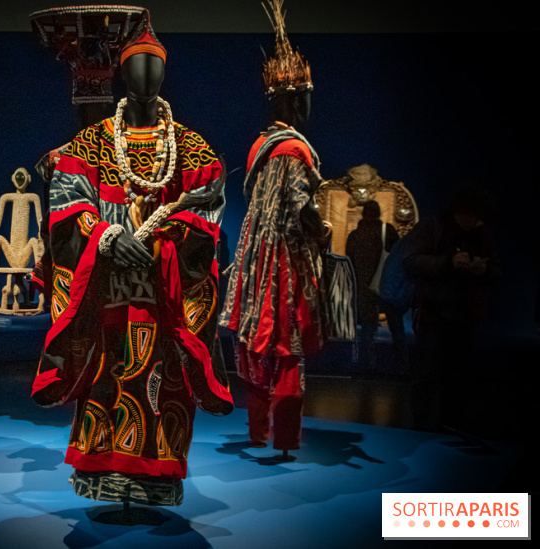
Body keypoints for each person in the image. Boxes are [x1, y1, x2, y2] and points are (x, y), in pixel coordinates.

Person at [31, 10, 233, 508]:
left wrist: (164, 244)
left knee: (161, 380)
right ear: (122, 70)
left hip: (162, 296)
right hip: (106, 294)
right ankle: (101, 470)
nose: (146, 73)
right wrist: (100, 237)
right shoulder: (93, 144)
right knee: (106, 375)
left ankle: (160, 473)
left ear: (164, 72)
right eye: (136, 63)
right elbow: (67, 199)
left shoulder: (190, 147)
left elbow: (208, 212)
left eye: (154, 64)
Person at [219, 0, 327, 460]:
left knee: (256, 345)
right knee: (285, 347)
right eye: (302, 99)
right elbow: (300, 210)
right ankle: (282, 438)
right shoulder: (292, 151)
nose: (306, 107)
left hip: (252, 257)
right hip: (283, 263)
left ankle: (260, 431)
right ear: (289, 101)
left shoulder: (260, 146)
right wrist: (320, 230)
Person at [404, 185, 501, 431]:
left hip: (466, 314)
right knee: (427, 374)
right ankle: (422, 427)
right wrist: (449, 263)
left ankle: (452, 426)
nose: (472, 221)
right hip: (434, 313)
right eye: (468, 215)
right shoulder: (433, 227)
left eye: (476, 216)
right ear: (458, 211)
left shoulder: (482, 235)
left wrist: (485, 269)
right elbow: (411, 262)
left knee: (459, 376)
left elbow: (498, 270)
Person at [345, 200, 405, 375]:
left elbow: (350, 263)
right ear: (379, 213)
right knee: (396, 327)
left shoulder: (355, 235)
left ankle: (368, 368)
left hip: (364, 289)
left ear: (363, 214)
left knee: (368, 329)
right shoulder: (388, 232)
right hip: (388, 286)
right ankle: (402, 368)